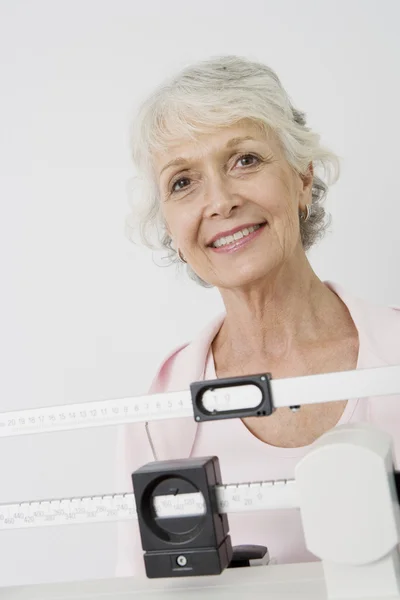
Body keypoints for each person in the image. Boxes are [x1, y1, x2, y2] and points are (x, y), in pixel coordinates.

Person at [115, 55, 400, 577]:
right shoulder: (163, 408)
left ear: (302, 179)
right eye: (182, 182)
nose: (220, 202)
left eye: (245, 159)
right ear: (172, 233)